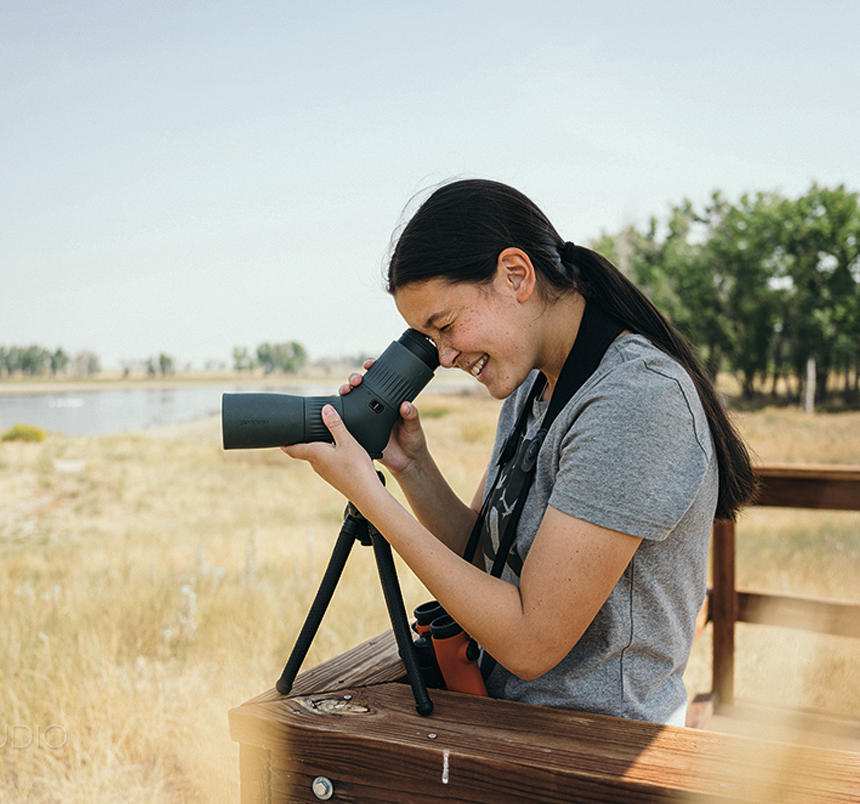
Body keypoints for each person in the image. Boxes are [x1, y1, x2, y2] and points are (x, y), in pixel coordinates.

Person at [282, 179, 757, 726]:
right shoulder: (536, 385)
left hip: (598, 747)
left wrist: (368, 497)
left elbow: (532, 644)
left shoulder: (637, 399)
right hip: (515, 725)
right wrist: (411, 466)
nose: (444, 355)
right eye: (427, 339)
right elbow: (484, 560)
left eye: (444, 325)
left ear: (516, 275)